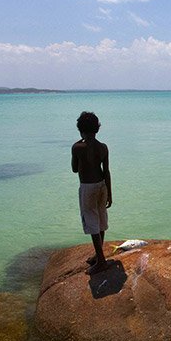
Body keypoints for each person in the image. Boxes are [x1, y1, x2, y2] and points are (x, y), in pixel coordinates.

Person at [72, 111, 113, 274]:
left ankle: (101, 261)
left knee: (91, 220)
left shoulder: (77, 147)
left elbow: (75, 169)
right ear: (97, 129)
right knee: (101, 218)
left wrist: (76, 147)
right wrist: (110, 193)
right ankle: (99, 255)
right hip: (102, 185)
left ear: (80, 130)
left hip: (88, 187)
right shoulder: (103, 147)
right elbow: (107, 171)